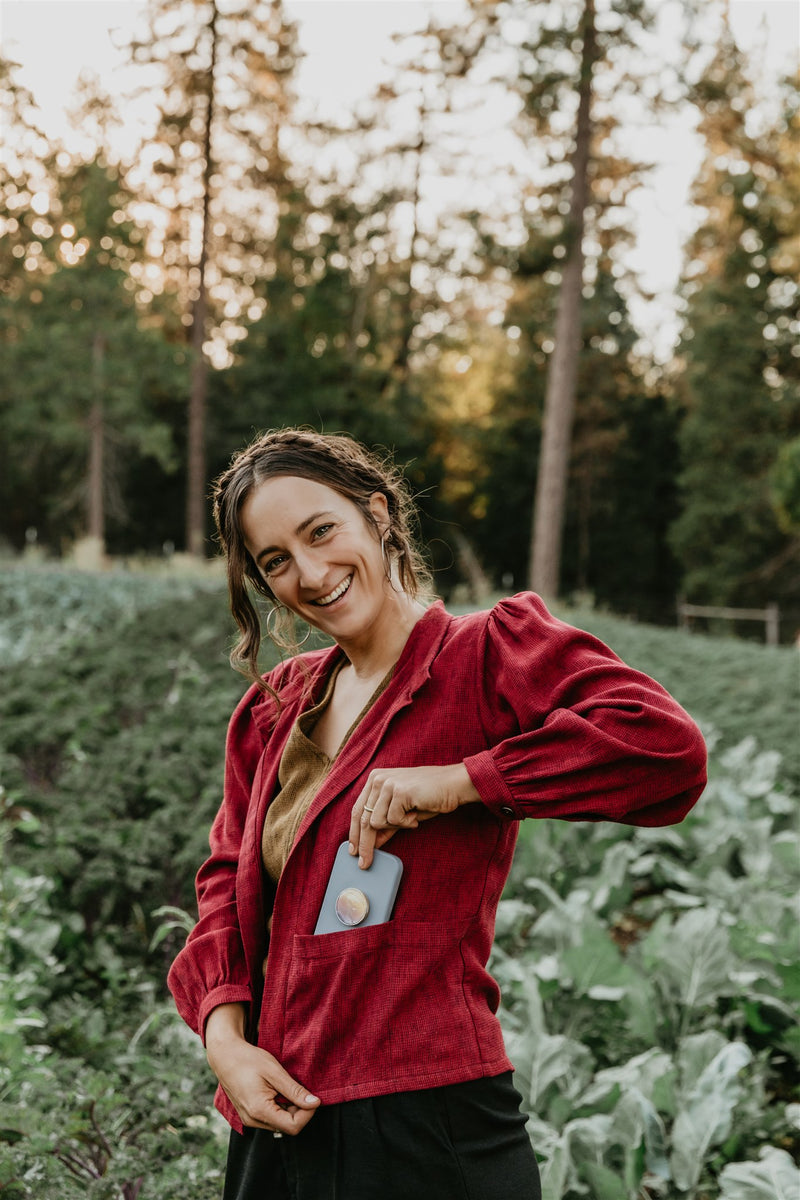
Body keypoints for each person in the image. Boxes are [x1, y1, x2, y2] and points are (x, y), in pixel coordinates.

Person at [168, 428, 707, 1200]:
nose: (310, 574)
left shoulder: (485, 656)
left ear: (379, 515)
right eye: (275, 561)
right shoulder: (273, 708)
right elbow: (225, 883)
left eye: (322, 531)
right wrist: (225, 1040)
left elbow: (665, 749)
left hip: (426, 1123)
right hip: (276, 1122)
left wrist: (463, 780)